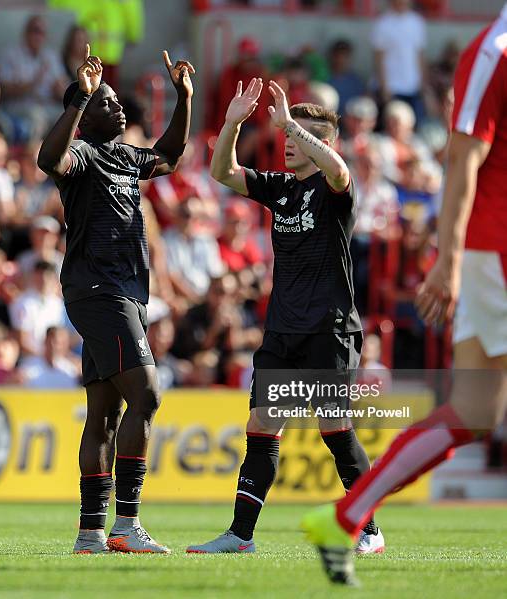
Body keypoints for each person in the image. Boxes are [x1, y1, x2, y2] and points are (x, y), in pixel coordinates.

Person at [303, 5, 507, 585]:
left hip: (491, 251)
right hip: (498, 250)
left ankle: (345, 516)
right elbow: (464, 158)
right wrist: (449, 258)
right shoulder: (495, 53)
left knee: (472, 412)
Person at [186, 78, 383, 554]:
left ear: (322, 142)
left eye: (300, 136)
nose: (289, 142)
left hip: (329, 328)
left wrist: (292, 122)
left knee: (334, 430)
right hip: (282, 330)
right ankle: (240, 536)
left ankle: (370, 531)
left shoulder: (337, 191)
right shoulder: (280, 190)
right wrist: (233, 122)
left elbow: (338, 170)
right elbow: (223, 172)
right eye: (288, 135)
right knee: (261, 426)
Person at [37, 44, 194, 553]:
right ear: (84, 116)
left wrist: (183, 98)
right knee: (147, 395)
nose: (119, 107)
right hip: (99, 291)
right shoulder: (80, 156)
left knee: (104, 413)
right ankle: (127, 524)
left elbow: (169, 157)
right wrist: (80, 100)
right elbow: (47, 158)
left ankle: (90, 533)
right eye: (106, 103)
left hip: (124, 293)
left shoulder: (125, 157)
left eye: (114, 102)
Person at [371, 0, 427, 121]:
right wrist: (384, 86)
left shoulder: (417, 22)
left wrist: (423, 84)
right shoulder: (383, 23)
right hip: (391, 87)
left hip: (412, 86)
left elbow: (420, 55)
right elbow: (378, 58)